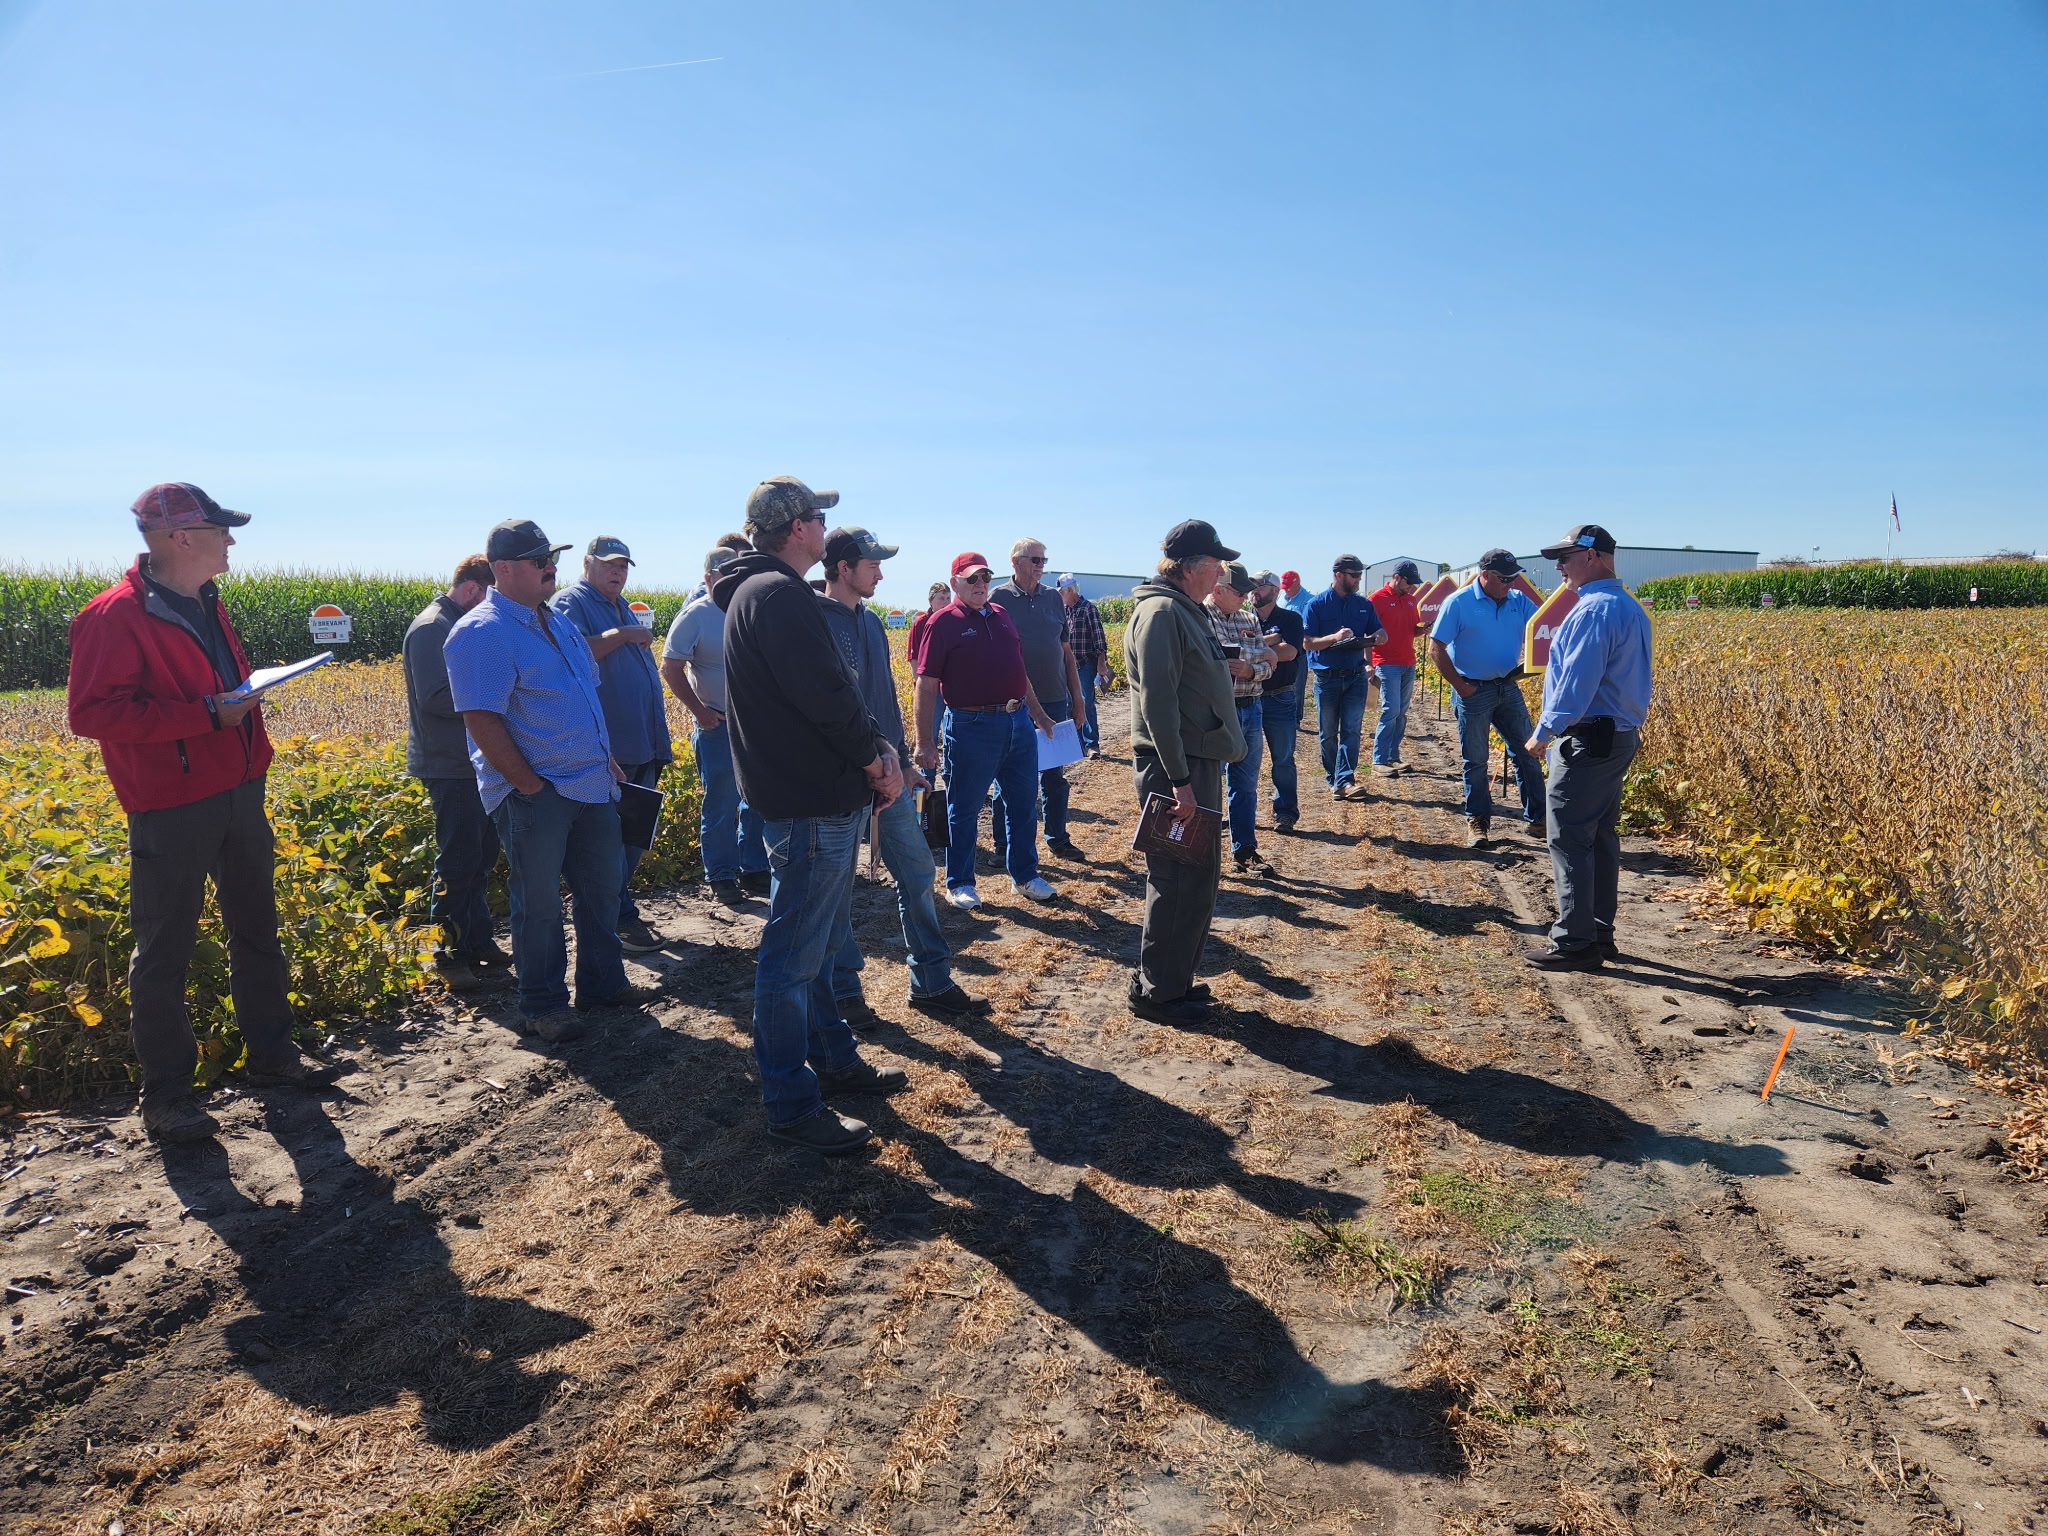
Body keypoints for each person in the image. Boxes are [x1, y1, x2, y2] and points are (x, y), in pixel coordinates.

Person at [68, 482, 342, 1146]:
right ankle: (166, 1096)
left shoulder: (207, 603)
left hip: (239, 787)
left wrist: (243, 705)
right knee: (164, 948)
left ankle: (273, 1059)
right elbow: (92, 714)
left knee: (257, 930)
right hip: (171, 804)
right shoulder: (113, 616)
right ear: (180, 537)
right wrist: (207, 715)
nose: (231, 540)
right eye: (220, 530)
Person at [715, 475, 909, 1154]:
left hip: (806, 798)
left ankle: (834, 1058)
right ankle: (791, 1102)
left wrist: (874, 748)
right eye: (819, 521)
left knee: (817, 946)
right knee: (792, 957)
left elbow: (827, 696)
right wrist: (873, 759)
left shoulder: (759, 593)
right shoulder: (777, 596)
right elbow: (826, 695)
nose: (827, 531)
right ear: (797, 527)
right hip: (810, 803)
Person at [446, 519, 656, 1040]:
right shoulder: (482, 631)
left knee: (602, 892)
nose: (551, 569)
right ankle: (542, 1005)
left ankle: (603, 983)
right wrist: (529, 786)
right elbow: (481, 719)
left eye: (551, 559)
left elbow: (584, 697)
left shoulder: (555, 622)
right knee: (538, 904)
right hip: (537, 795)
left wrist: (606, 762)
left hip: (592, 784)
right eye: (540, 561)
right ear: (504, 569)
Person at [818, 526, 987, 1023]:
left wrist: (905, 762)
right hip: (844, 779)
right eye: (871, 564)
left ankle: (931, 981)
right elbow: (828, 710)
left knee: (916, 871)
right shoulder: (814, 623)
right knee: (837, 891)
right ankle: (845, 994)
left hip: (889, 775)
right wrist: (873, 765)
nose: (880, 572)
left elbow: (884, 700)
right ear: (844, 568)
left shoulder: (869, 622)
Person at [1124, 520, 1248, 1024]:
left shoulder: (1184, 611)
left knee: (1196, 879)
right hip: (1176, 769)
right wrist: (1179, 783)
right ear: (1192, 568)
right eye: (1216, 564)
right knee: (1175, 879)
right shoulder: (1159, 614)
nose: (1221, 573)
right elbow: (1158, 705)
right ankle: (1157, 992)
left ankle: (1174, 981)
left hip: (1196, 763)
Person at [1521, 524, 1654, 971]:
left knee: (1570, 836)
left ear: (1592, 556)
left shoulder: (1593, 610)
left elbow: (1577, 682)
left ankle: (1575, 942)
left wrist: (1544, 731)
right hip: (1615, 736)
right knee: (1598, 836)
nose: (1557, 566)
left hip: (1588, 738)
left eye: (1565, 556)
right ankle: (1598, 932)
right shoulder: (1628, 607)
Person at [912, 554, 1060, 909]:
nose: (980, 585)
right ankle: (960, 881)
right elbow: (926, 683)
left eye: (985, 578)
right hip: (971, 725)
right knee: (964, 807)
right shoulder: (942, 622)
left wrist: (1038, 714)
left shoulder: (1001, 614)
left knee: (1023, 803)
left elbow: (1018, 670)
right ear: (956, 583)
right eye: (972, 579)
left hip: (1017, 721)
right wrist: (924, 741)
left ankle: (1025, 875)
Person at [552, 536, 673, 953]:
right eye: (609, 564)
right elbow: (573, 653)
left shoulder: (619, 605)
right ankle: (617, 920)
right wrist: (623, 633)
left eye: (623, 566)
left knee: (633, 836)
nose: (617, 572)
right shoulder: (572, 603)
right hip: (613, 748)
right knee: (609, 844)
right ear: (587, 564)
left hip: (642, 742)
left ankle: (618, 911)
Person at [403, 554, 510, 992]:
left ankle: (477, 940)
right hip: (450, 764)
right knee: (459, 859)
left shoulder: (453, 623)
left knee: (481, 857)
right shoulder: (433, 627)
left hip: (472, 760)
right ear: (471, 590)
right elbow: (435, 697)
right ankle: (446, 954)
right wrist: (497, 695)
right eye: (488, 598)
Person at [661, 547, 768, 904]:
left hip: (753, 725)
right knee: (721, 803)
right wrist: (700, 712)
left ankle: (753, 868)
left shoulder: (750, 608)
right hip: (717, 724)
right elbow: (671, 667)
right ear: (708, 578)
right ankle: (721, 874)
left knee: (755, 801)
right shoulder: (697, 615)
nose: (731, 581)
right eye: (723, 574)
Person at [1427, 549, 1545, 847]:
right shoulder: (1459, 603)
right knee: (1476, 760)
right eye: (1504, 578)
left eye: (1514, 577)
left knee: (1527, 751)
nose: (1510, 583)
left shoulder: (1519, 601)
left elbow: (1547, 628)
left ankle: (1539, 819)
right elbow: (1436, 648)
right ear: (1484, 576)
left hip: (1507, 687)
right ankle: (1478, 821)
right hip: (1472, 690)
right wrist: (1461, 686)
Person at [988, 538, 1086, 862]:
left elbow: (1067, 655)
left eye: (1044, 560)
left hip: (1055, 700)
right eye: (1035, 560)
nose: (1041, 566)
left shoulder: (1054, 600)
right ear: (1015, 562)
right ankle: (1004, 847)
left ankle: (1057, 838)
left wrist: (1079, 699)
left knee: (1054, 777)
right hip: (1011, 704)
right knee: (1009, 780)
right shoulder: (997, 598)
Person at [1204, 563, 1276, 876]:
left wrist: (1251, 672)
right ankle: (1201, 853)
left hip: (1251, 706)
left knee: (1245, 784)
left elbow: (1268, 665)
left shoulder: (1249, 619)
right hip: (1217, 712)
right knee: (1207, 784)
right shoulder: (1200, 617)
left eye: (1248, 590)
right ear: (1217, 589)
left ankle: (1244, 849)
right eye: (1239, 591)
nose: (1247, 595)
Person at [1301, 555, 1387, 800]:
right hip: (1326, 678)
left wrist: (1380, 636)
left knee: (1351, 730)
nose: (1359, 579)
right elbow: (1307, 643)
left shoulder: (1363, 605)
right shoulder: (1316, 605)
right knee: (1328, 733)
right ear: (1339, 575)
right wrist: (1334, 638)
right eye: (1355, 575)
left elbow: (1378, 630)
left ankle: (1345, 780)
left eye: (1360, 574)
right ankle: (1334, 779)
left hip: (1355, 676)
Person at [1249, 570, 1306, 834]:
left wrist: (1251, 649)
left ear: (1275, 591)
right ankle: (1242, 814)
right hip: (1246, 697)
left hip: (1279, 696)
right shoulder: (1241, 618)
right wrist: (1271, 644)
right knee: (1241, 760)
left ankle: (1285, 813)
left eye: (1259, 586)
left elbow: (1290, 652)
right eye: (1251, 587)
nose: (1253, 591)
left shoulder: (1290, 618)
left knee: (1282, 759)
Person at [1367, 561, 1425, 777]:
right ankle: (1379, 760)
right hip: (1386, 662)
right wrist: (1368, 663)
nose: (1411, 587)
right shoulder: (1376, 599)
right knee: (1390, 709)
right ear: (1397, 577)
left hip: (1408, 662)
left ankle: (1393, 756)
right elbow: (1367, 633)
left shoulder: (1411, 600)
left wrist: (1423, 630)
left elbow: (1412, 630)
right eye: (1409, 582)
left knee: (1401, 712)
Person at [1057, 573, 1113, 757]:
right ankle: (1076, 744)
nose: (1060, 596)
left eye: (1061, 592)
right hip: (1066, 665)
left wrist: (1101, 663)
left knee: (1086, 702)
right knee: (1069, 704)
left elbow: (1099, 638)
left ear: (1070, 591)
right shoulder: (1064, 610)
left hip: (1084, 663)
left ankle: (1091, 744)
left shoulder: (1088, 608)